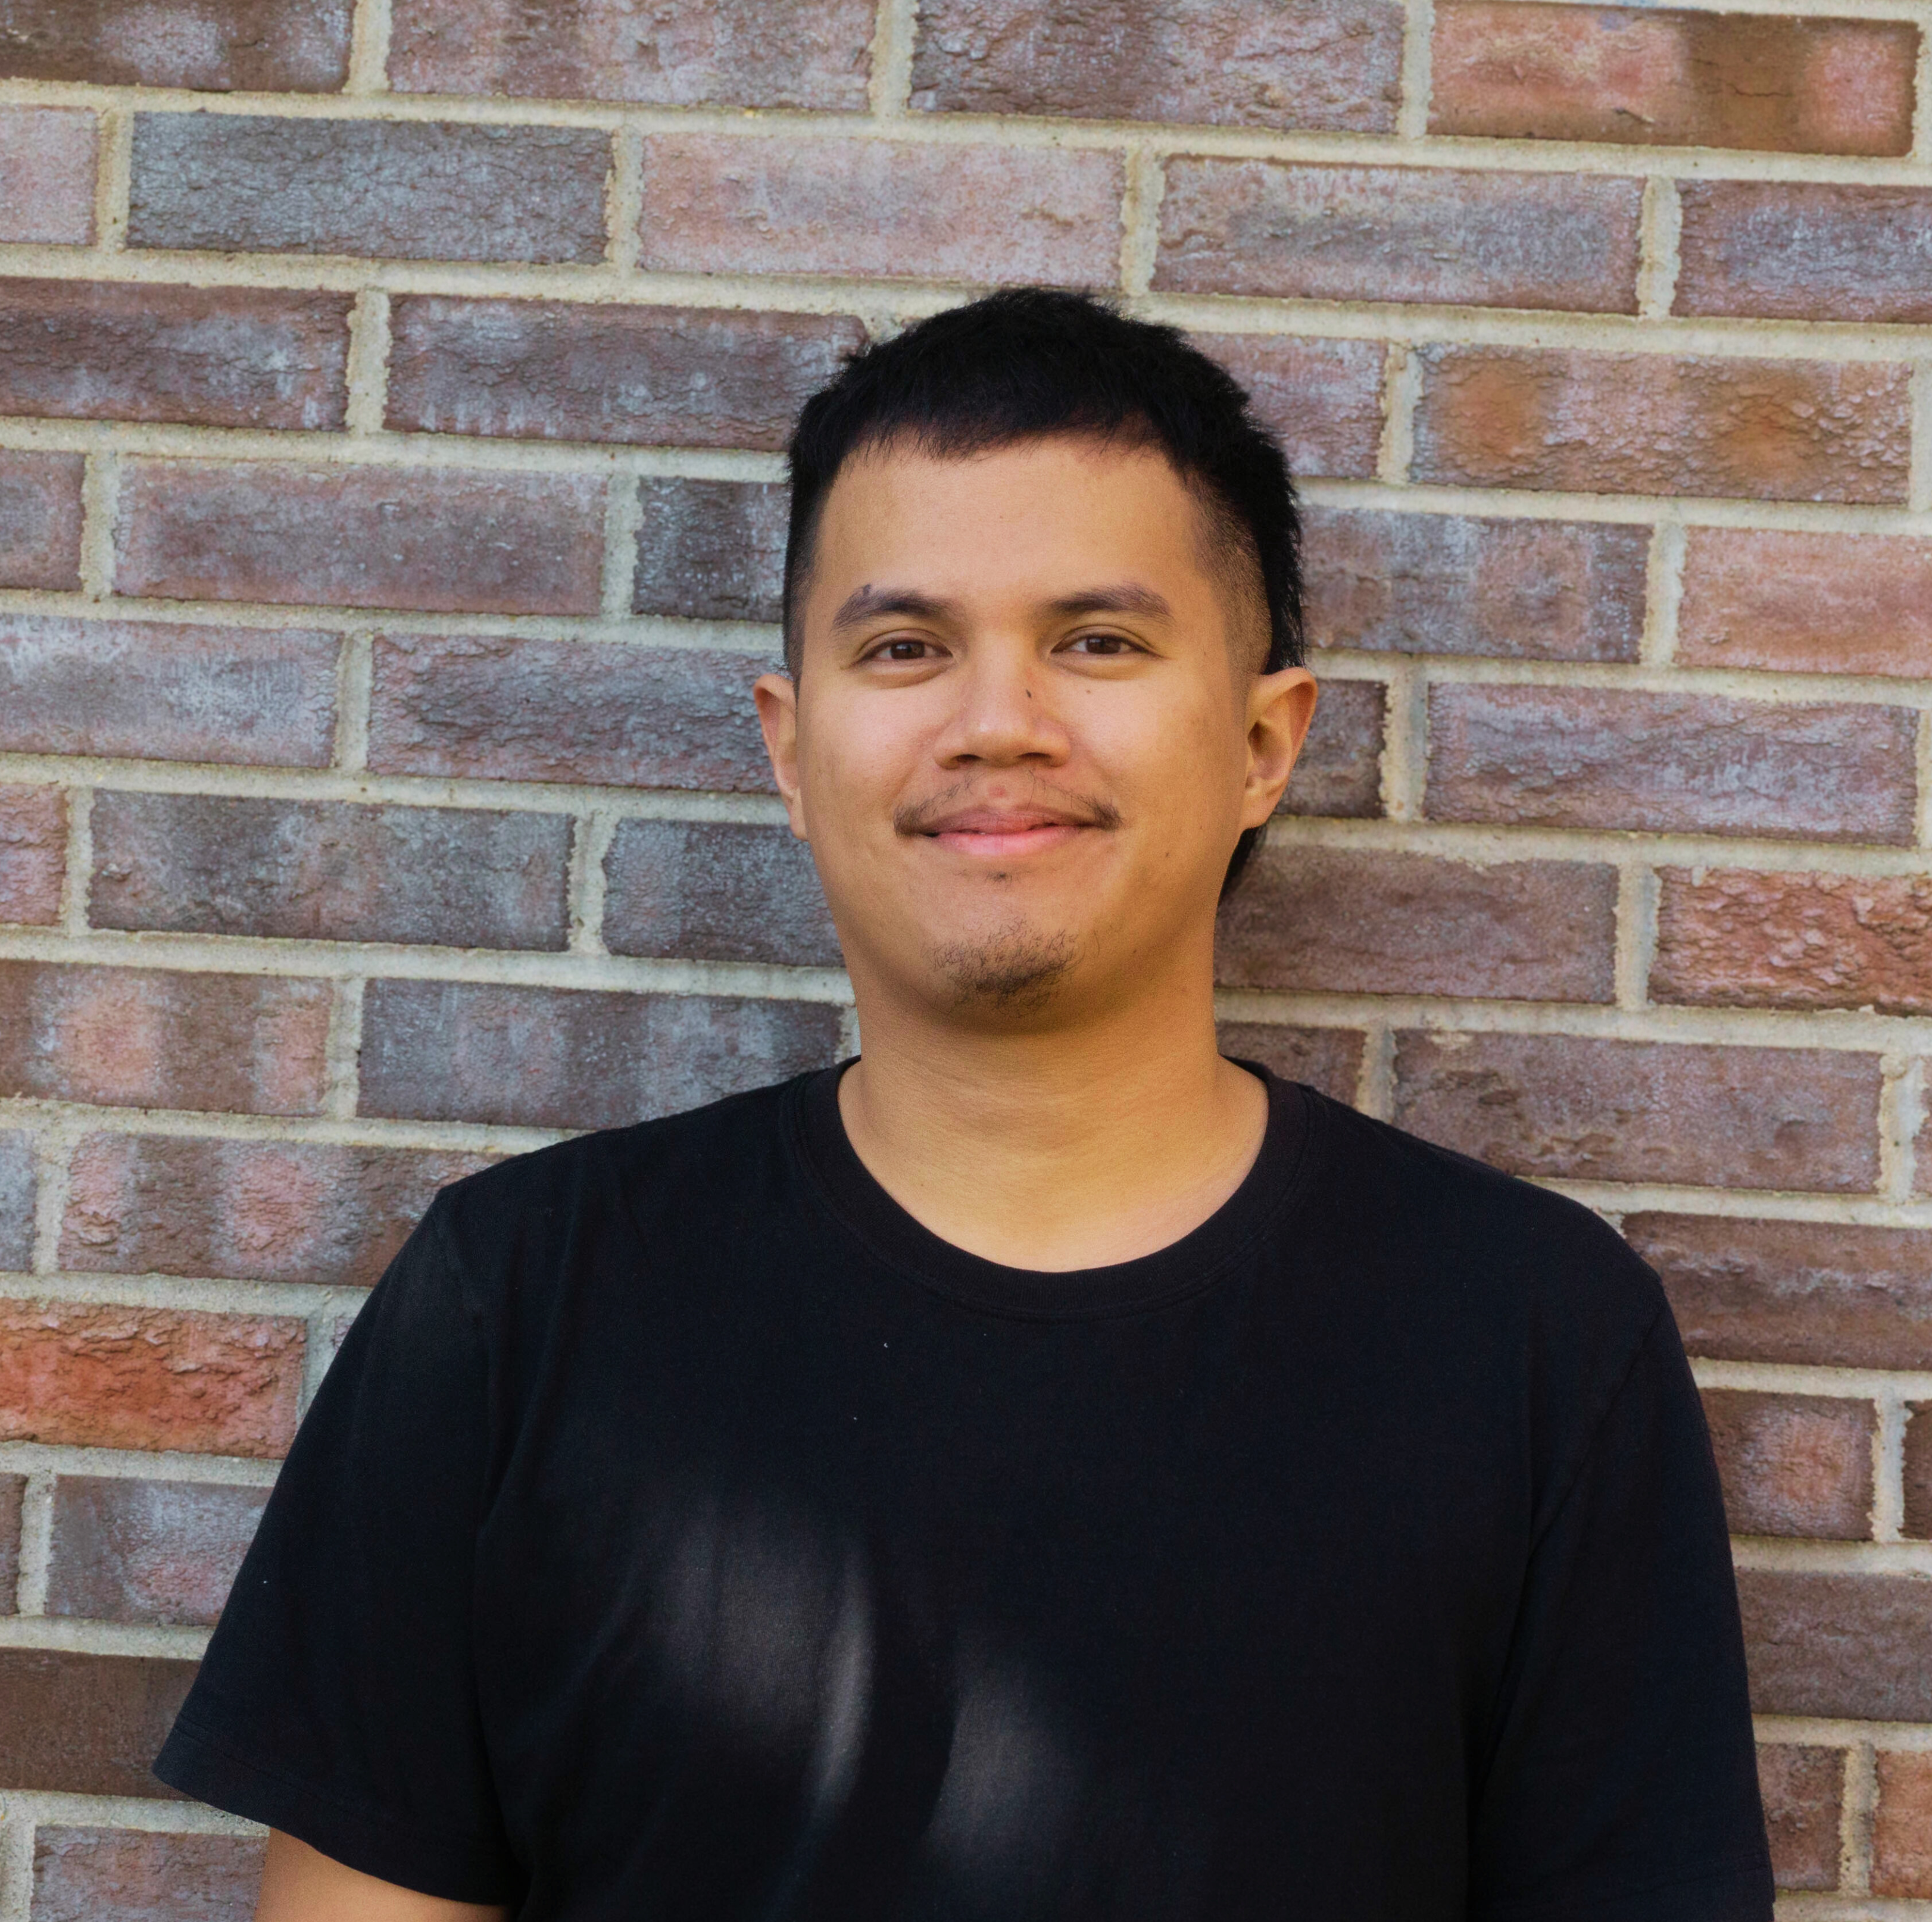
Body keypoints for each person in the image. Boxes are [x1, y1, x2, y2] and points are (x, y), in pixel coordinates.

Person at [154, 289, 1773, 1922]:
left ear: (1265, 741)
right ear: (792, 747)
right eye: (904, 646)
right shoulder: (513, 1306)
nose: (997, 723)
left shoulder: (1531, 1338)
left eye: (1098, 640)